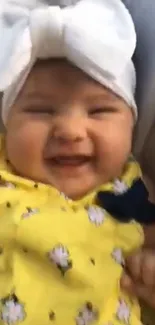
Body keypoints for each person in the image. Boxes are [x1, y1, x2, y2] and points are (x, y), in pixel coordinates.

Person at [0, 0, 155, 324]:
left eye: (99, 111)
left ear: (132, 126)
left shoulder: (135, 191)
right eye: (41, 110)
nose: (70, 131)